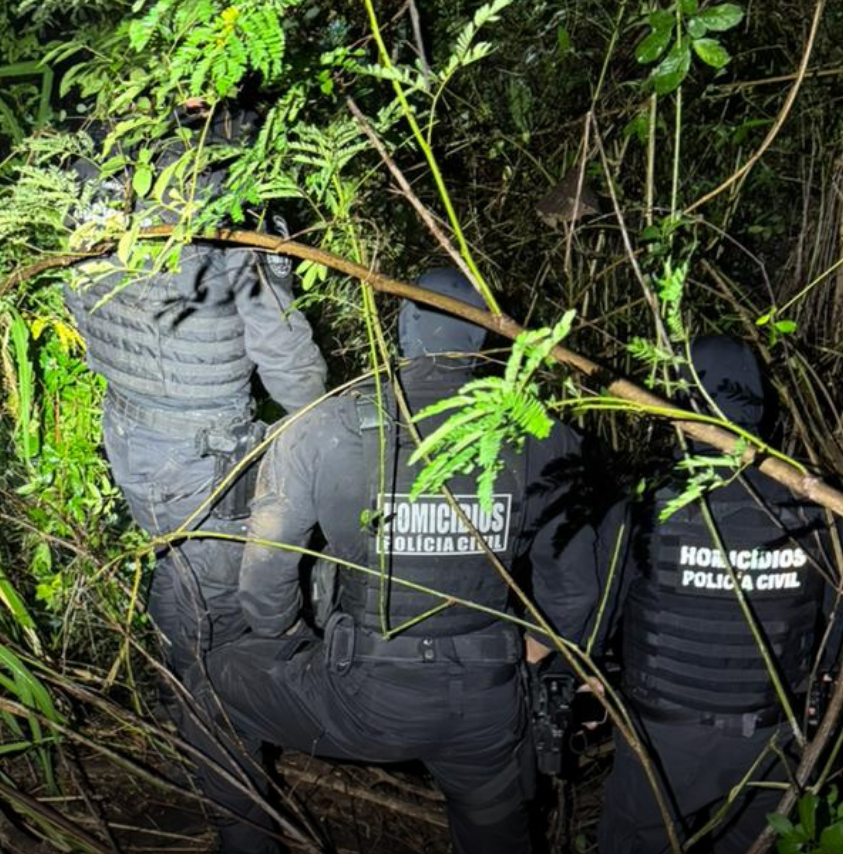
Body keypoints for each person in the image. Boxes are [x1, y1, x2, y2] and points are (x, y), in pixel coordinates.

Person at [182, 268, 609, 854]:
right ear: (483, 337)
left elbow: (264, 587)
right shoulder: (544, 437)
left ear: (404, 329)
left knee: (209, 688)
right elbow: (575, 592)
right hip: (488, 699)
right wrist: (526, 657)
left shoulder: (326, 426)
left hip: (365, 695)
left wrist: (292, 639)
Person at [64, 101, 327, 680]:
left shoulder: (101, 162)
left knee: (180, 570)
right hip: (200, 449)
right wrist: (324, 425)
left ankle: (171, 705)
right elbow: (282, 350)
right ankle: (210, 743)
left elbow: (75, 292)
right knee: (216, 605)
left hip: (128, 427)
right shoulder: (226, 193)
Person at [596, 336, 843, 854]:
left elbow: (600, 609)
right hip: (773, 741)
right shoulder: (820, 505)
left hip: (664, 740)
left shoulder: (644, 500)